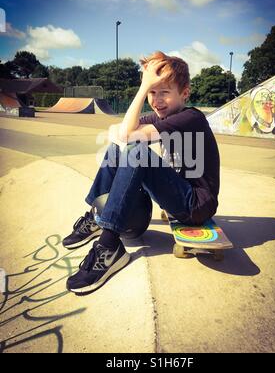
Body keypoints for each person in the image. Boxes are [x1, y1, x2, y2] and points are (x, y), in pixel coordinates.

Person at [64, 51, 220, 295]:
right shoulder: (162, 115)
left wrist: (145, 85)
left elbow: (128, 135)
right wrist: (142, 91)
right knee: (118, 149)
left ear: (185, 93)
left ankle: (108, 247)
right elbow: (119, 132)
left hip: (196, 204)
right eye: (151, 93)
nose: (156, 100)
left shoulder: (191, 118)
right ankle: (95, 215)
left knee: (137, 150)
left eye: (164, 92)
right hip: (176, 191)